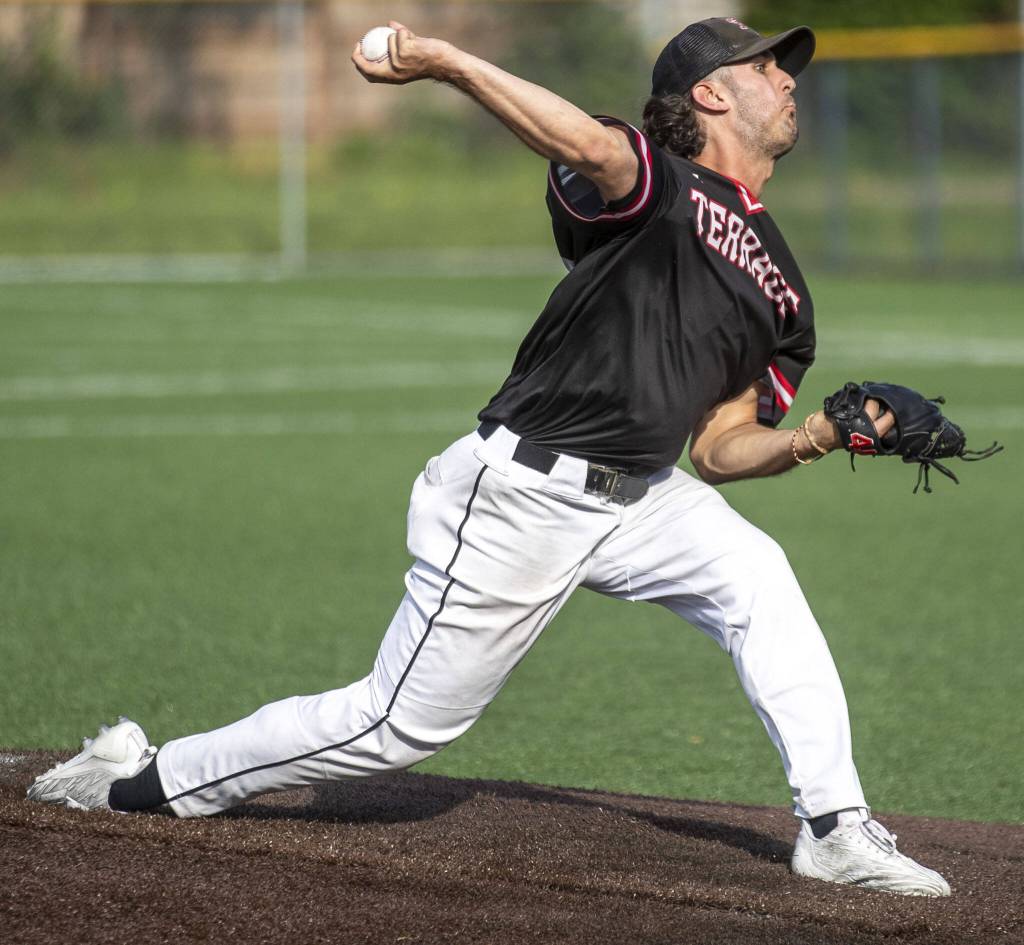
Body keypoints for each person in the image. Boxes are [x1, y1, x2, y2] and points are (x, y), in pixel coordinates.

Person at [28, 17, 950, 897]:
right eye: (764, 67)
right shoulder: (659, 182)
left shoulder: (783, 286)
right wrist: (442, 61)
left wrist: (819, 438)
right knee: (395, 725)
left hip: (642, 499)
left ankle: (835, 828)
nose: (787, 79)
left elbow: (717, 446)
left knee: (759, 575)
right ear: (709, 94)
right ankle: (136, 779)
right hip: (525, 492)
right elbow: (591, 149)